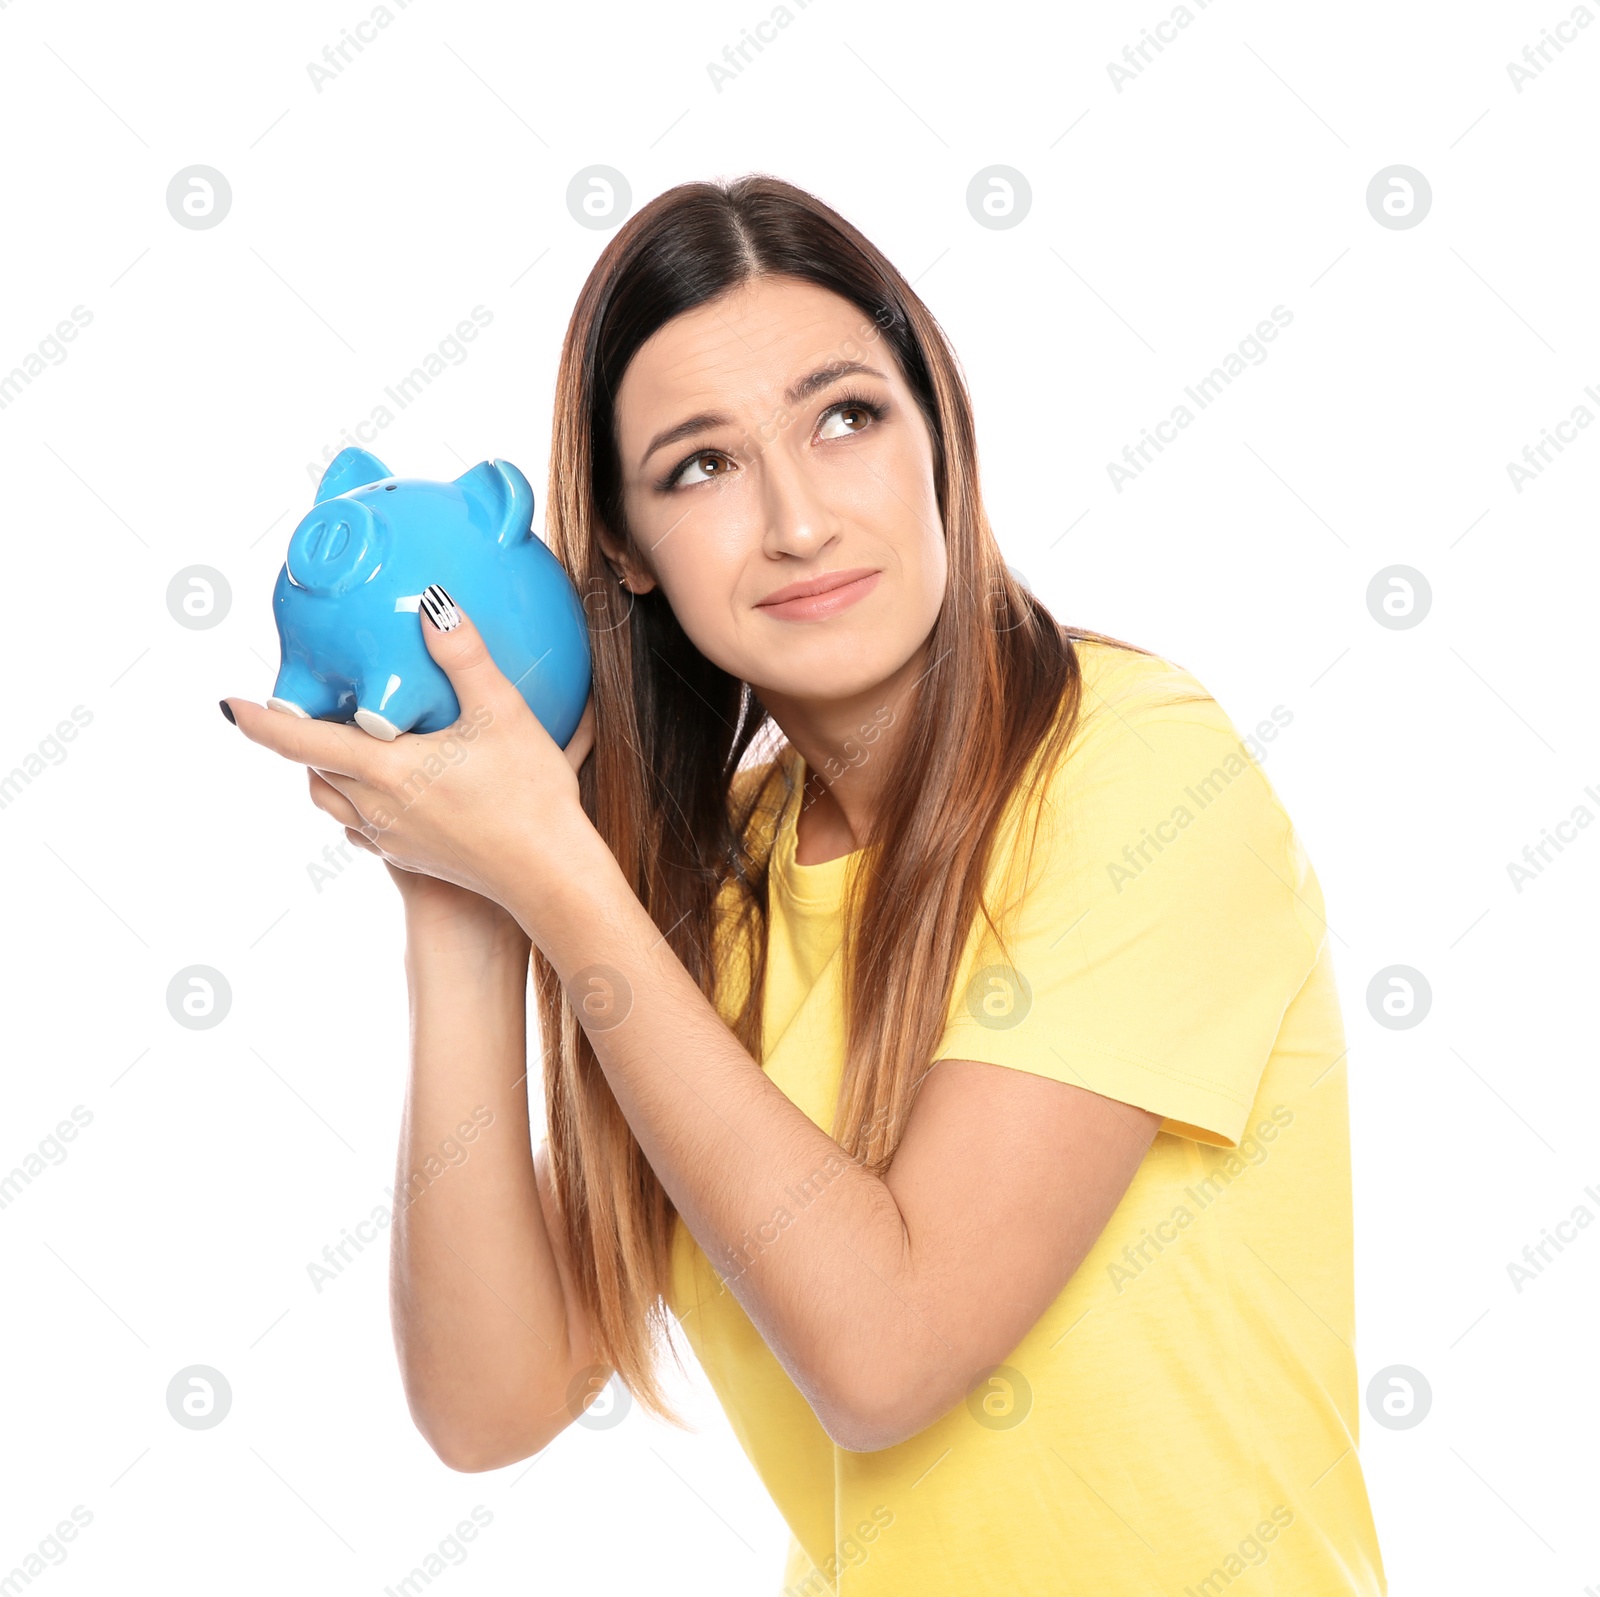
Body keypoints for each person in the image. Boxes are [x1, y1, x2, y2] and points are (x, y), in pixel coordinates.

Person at [223, 173, 1388, 1596]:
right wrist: (463, 898)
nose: (797, 519)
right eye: (700, 466)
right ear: (632, 559)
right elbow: (489, 1403)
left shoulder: (1137, 772)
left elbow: (889, 1350)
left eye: (845, 417)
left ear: (936, 437)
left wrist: (556, 873)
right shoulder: (702, 898)